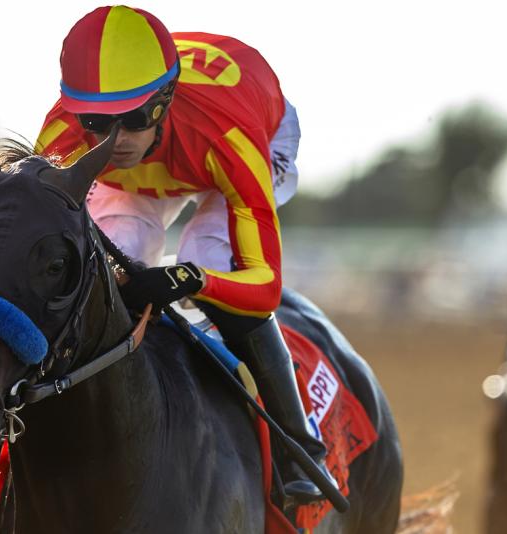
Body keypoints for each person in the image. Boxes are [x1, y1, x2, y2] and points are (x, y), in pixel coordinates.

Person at [35, 5, 334, 503]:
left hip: (242, 137)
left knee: (207, 256)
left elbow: (263, 288)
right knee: (105, 269)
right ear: (75, 110)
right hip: (154, 167)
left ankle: (300, 448)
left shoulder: (228, 138)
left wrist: (189, 279)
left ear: (164, 101)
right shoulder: (61, 134)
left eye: (133, 119)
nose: (115, 141)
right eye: (96, 122)